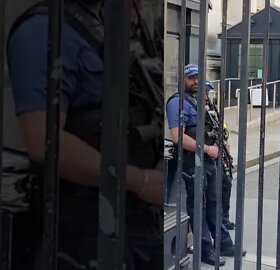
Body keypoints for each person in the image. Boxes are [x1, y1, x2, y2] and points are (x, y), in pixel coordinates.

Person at [7, 0, 163, 269]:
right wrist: (142, 182)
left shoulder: (102, 23)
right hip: (86, 225)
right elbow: (44, 140)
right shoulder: (45, 28)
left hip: (132, 219)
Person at [166, 64, 246, 266]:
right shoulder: (177, 102)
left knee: (214, 204)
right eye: (191, 78)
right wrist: (207, 149)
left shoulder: (201, 101)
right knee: (198, 207)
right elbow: (177, 136)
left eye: (198, 78)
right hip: (194, 162)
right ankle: (205, 250)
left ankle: (224, 243)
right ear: (183, 80)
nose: (195, 82)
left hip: (211, 161)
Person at [204, 81, 235, 230]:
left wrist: (226, 146)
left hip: (221, 152)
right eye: (205, 91)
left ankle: (224, 218)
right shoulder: (199, 108)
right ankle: (219, 219)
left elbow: (222, 129)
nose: (207, 94)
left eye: (208, 91)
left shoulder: (212, 107)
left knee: (226, 184)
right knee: (214, 190)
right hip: (210, 154)